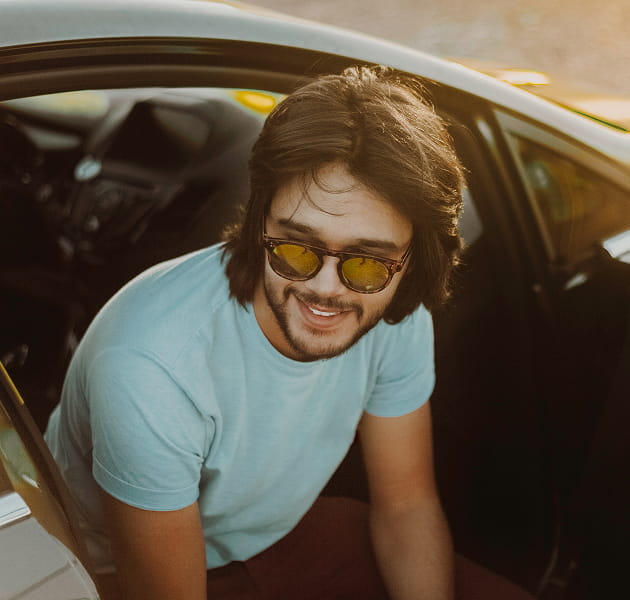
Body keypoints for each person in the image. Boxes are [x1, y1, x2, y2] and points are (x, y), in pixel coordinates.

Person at [45, 66, 533, 600]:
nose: (326, 289)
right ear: (261, 222)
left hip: (277, 533)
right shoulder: (149, 365)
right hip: (117, 573)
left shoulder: (394, 309)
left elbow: (406, 506)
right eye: (297, 248)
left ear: (412, 260)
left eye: (366, 262)